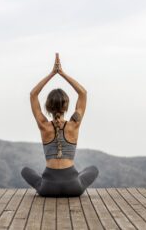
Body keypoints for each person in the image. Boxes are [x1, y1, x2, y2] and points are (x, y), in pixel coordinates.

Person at [21, 53, 99, 197]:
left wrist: (52, 74)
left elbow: (33, 94)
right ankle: (74, 177)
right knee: (92, 169)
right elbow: (83, 93)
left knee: (25, 170)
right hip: (73, 187)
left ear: (48, 107)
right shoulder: (74, 124)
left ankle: (45, 181)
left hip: (48, 188)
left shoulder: (43, 125)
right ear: (66, 106)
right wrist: (62, 73)